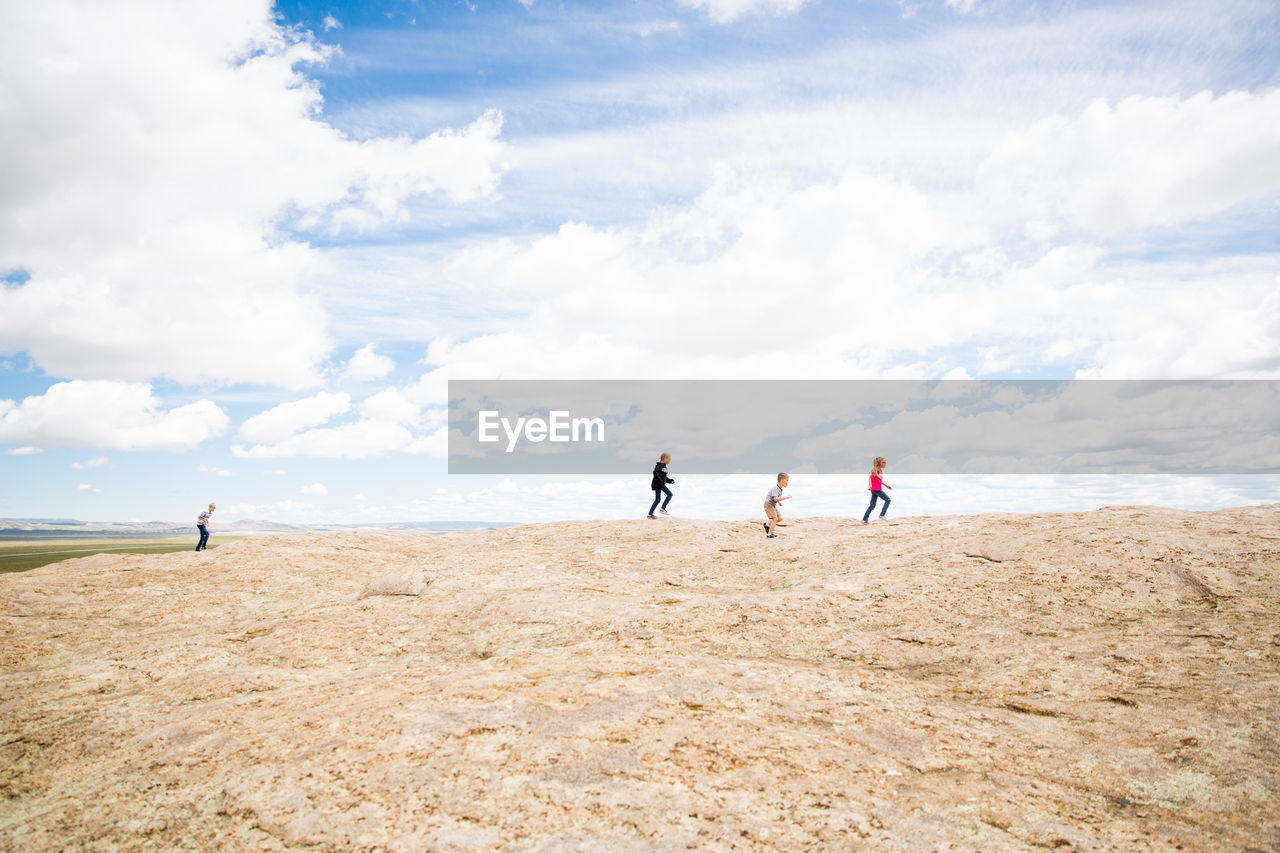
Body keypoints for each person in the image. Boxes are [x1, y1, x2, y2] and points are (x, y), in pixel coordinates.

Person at [862, 457, 891, 524]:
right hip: (876, 489)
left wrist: (886, 486)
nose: (885, 464)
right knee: (888, 500)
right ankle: (882, 515)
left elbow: (879, 480)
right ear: (879, 463)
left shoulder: (880, 470)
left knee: (872, 505)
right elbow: (870, 478)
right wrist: (870, 485)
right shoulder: (876, 470)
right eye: (883, 462)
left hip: (875, 489)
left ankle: (864, 520)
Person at [764, 472, 791, 538]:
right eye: (787, 480)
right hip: (769, 504)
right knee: (775, 519)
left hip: (773, 504)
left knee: (780, 518)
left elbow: (776, 498)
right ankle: (769, 534)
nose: (788, 482)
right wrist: (786, 497)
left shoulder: (780, 489)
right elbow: (775, 499)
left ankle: (767, 524)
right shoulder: (775, 488)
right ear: (781, 480)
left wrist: (779, 502)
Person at [648, 454, 674, 518]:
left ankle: (650, 515)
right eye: (669, 459)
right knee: (670, 494)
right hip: (658, 484)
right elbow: (655, 473)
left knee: (657, 499)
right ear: (665, 458)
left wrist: (669, 481)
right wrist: (661, 481)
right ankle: (662, 509)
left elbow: (663, 477)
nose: (669, 461)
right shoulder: (660, 465)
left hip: (658, 484)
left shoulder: (663, 466)